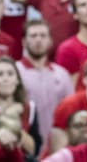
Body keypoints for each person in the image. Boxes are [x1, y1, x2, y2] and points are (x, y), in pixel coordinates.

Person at [16, 20, 74, 153]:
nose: (38, 40)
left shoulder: (62, 74)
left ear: (50, 41)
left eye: (43, 36)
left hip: (57, 148)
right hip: (25, 147)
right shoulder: (14, 72)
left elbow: (70, 113)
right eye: (33, 36)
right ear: (24, 41)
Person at [0, 56, 42, 158]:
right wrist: (8, 115)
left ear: (17, 80)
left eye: (10, 74)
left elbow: (34, 149)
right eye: (0, 74)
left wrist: (17, 133)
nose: (5, 79)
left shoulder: (30, 109)